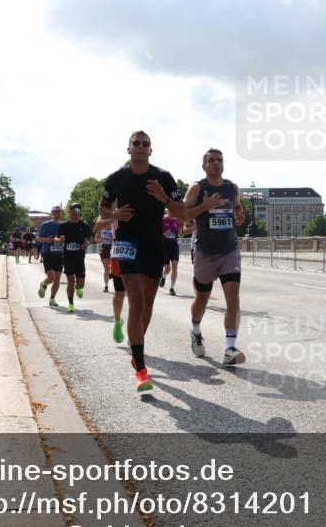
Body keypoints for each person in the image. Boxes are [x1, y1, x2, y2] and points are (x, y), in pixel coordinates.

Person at [99, 130, 185, 393]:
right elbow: (102, 209)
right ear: (128, 149)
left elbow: (180, 212)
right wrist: (114, 213)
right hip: (126, 244)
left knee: (148, 303)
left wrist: (165, 199)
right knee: (135, 301)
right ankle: (140, 368)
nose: (140, 147)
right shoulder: (116, 178)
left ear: (151, 150)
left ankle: (138, 348)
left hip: (153, 245)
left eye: (145, 144)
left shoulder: (163, 177)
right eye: (135, 143)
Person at [184, 148, 247, 366]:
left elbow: (239, 211)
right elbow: (182, 214)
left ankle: (230, 348)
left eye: (219, 160)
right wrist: (205, 206)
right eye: (211, 160)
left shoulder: (232, 188)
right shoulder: (197, 188)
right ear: (204, 166)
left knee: (233, 300)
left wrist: (239, 217)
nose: (216, 163)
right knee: (202, 298)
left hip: (230, 251)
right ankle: (195, 330)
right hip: (205, 253)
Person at [94, 214, 125, 341]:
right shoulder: (112, 206)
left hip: (140, 249)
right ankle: (117, 322)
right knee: (120, 293)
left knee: (138, 296)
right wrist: (113, 216)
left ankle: (137, 337)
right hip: (116, 248)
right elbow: (98, 225)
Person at [57, 203, 91, 313]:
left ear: (80, 213)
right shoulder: (63, 226)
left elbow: (88, 239)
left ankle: (78, 288)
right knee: (70, 282)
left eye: (78, 212)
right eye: (73, 212)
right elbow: (59, 239)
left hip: (80, 258)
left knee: (81, 284)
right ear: (70, 212)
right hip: (68, 257)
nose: (76, 214)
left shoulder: (85, 226)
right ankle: (71, 303)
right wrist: (59, 240)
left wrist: (86, 243)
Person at [36, 206, 66, 307]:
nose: (58, 213)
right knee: (51, 278)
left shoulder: (64, 225)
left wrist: (63, 239)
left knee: (57, 279)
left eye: (59, 212)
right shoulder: (46, 225)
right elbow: (37, 238)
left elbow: (66, 237)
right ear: (52, 213)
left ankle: (52, 299)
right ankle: (44, 284)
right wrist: (45, 240)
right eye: (56, 211)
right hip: (48, 253)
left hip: (59, 254)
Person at [161, 211, 182, 295]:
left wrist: (180, 234)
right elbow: (157, 232)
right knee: (167, 269)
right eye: (171, 211)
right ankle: (163, 276)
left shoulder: (177, 221)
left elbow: (180, 233)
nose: (172, 213)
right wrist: (164, 234)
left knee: (175, 266)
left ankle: (172, 288)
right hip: (165, 246)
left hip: (174, 246)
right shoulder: (163, 219)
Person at [97, 215, 117, 293]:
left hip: (112, 248)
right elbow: (96, 239)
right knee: (106, 268)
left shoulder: (113, 228)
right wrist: (100, 239)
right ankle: (106, 286)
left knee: (113, 268)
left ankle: (116, 284)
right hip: (104, 248)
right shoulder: (101, 229)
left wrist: (114, 238)